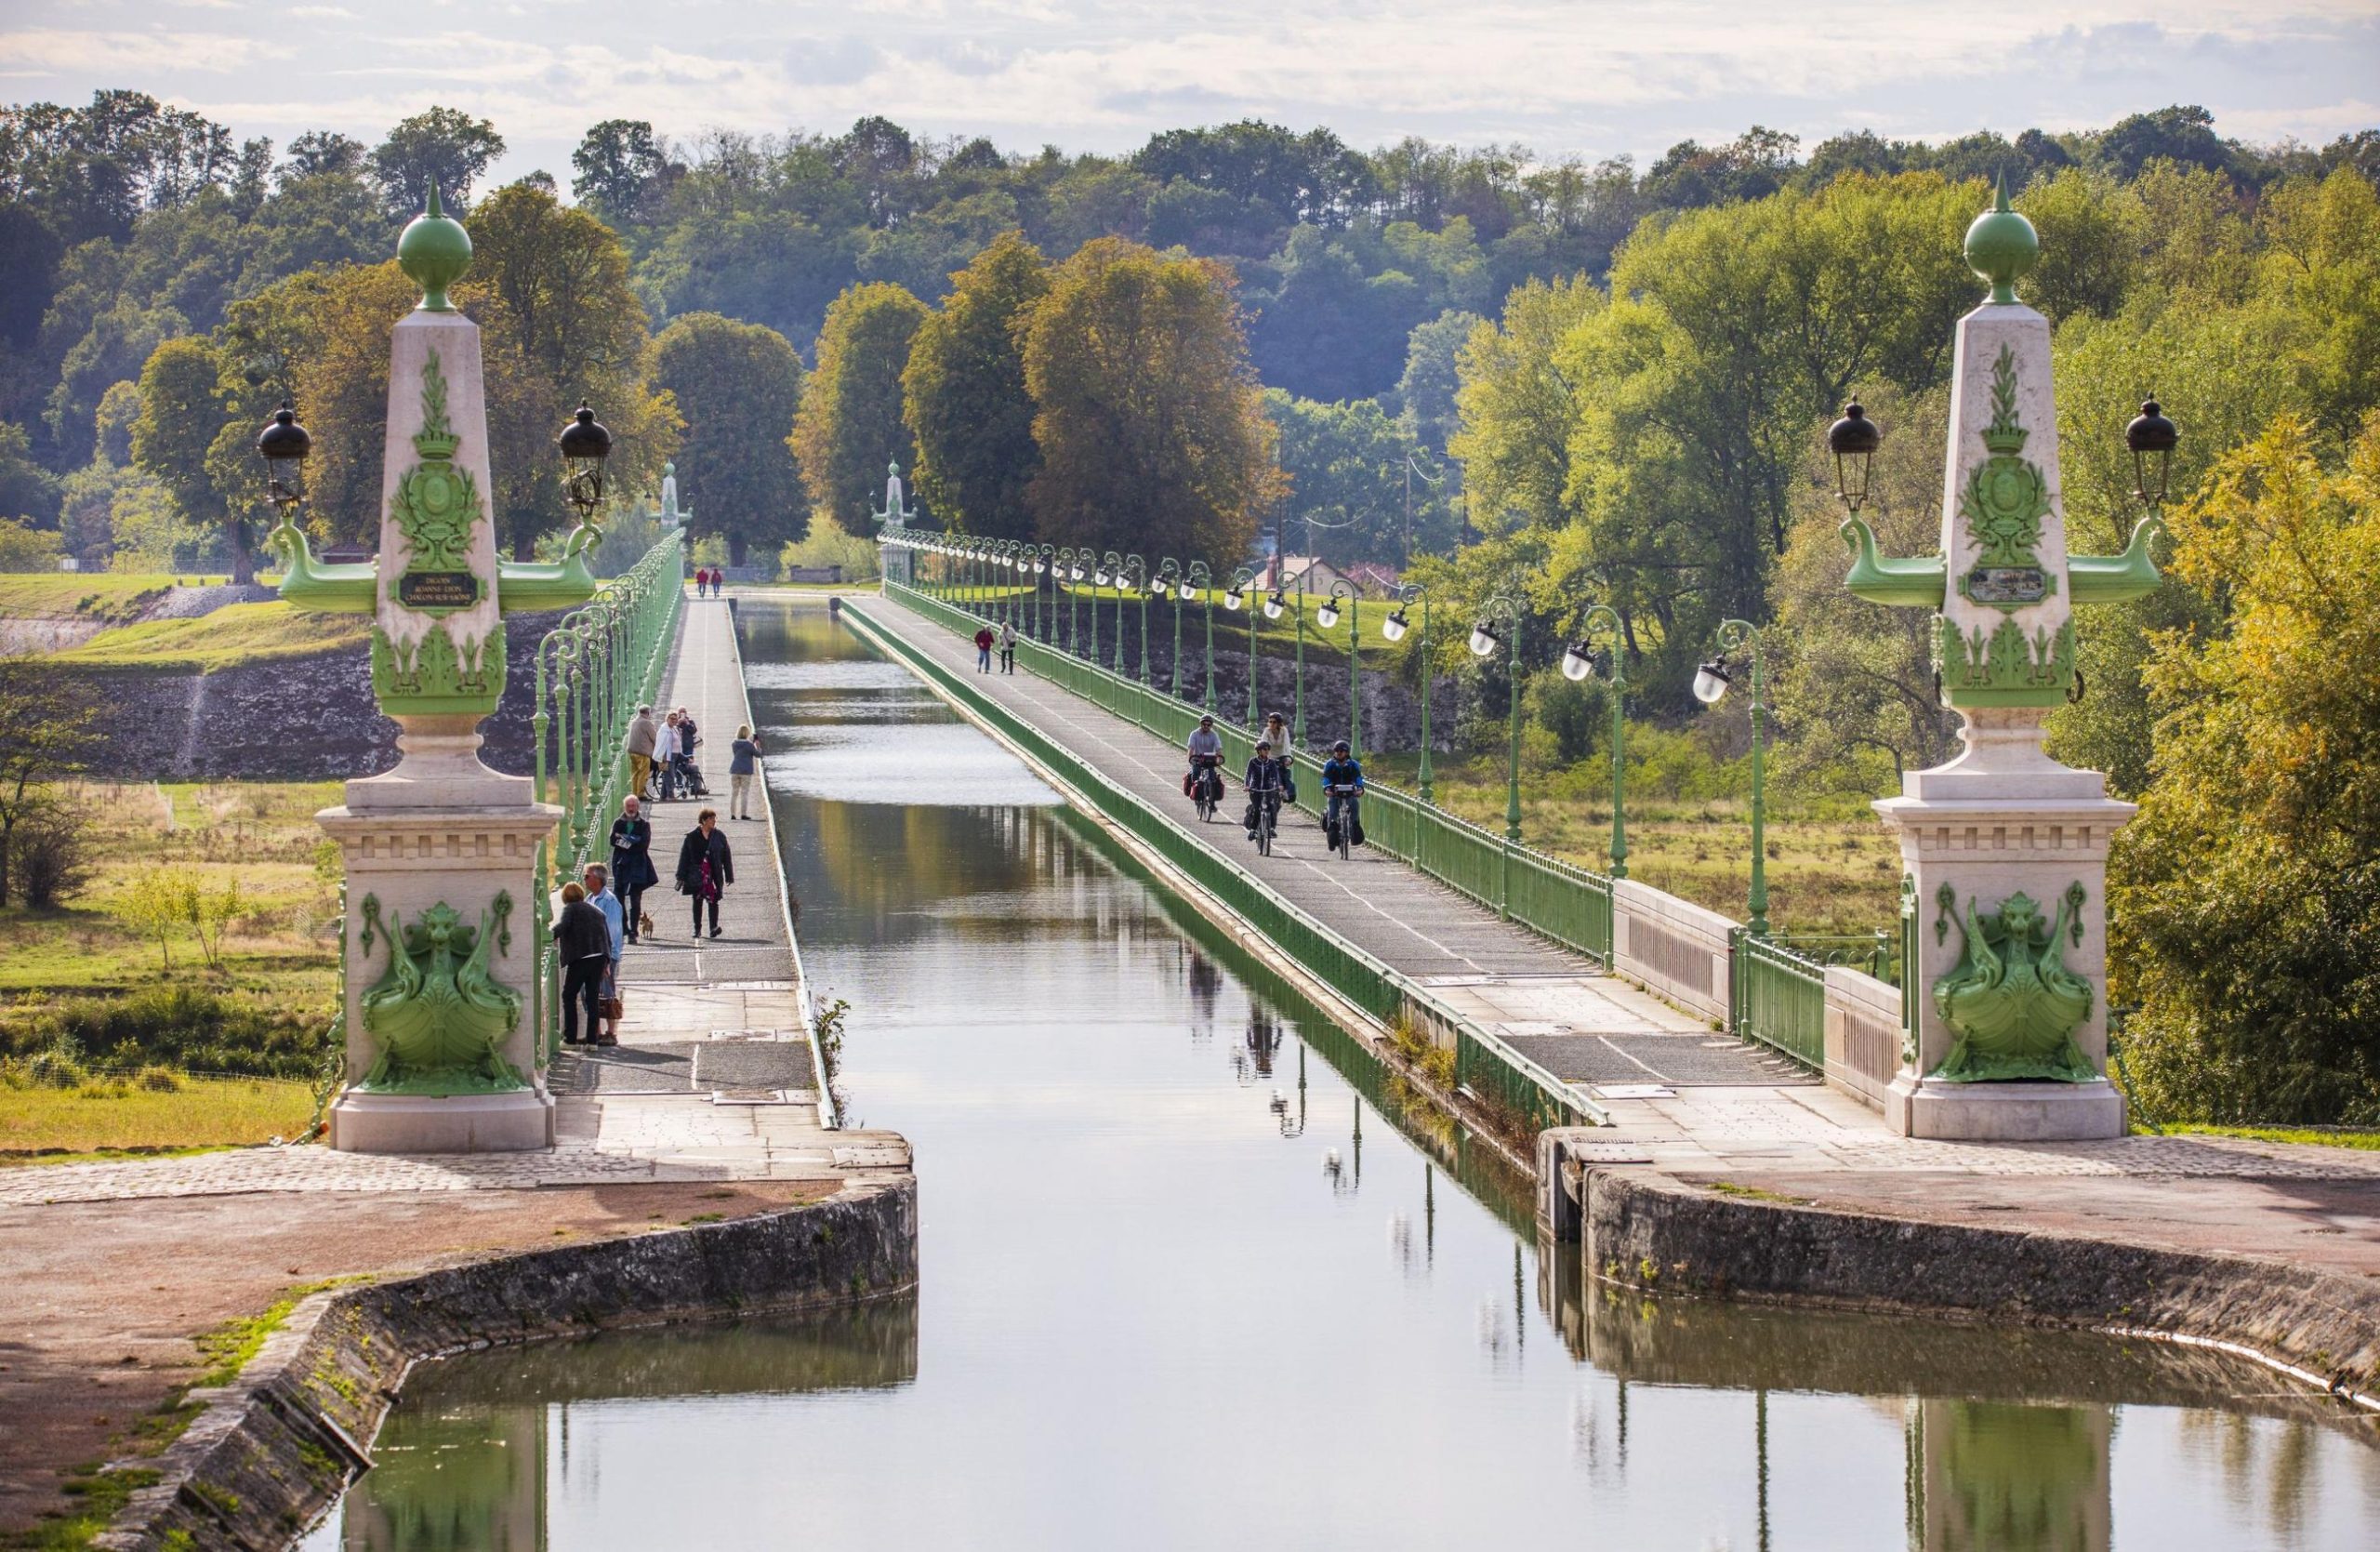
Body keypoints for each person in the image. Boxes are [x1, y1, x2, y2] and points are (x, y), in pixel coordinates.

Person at [554, 881, 612, 1046]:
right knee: (592, 998)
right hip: (599, 956)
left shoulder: (570, 909)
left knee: (569, 995)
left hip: (581, 957)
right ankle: (592, 1042)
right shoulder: (596, 910)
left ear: (565, 897)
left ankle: (570, 1039)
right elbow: (606, 937)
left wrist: (549, 935)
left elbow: (563, 927)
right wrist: (606, 961)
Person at [676, 806, 734, 939]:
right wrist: (681, 876)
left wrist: (729, 875)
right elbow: (684, 857)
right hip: (697, 874)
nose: (714, 821)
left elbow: (726, 856)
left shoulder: (719, 836)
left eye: (714, 819)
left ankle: (713, 927)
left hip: (714, 873)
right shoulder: (691, 837)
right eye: (711, 819)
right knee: (697, 900)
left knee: (713, 899)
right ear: (704, 820)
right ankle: (697, 929)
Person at [582, 863, 624, 1044]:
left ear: (598, 879)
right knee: (589, 993)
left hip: (605, 955)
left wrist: (607, 959)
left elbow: (613, 931)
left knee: (607, 993)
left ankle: (611, 1033)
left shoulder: (609, 901)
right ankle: (596, 1032)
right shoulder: (589, 899)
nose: (584, 880)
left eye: (587, 876)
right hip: (590, 954)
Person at [608, 795, 657, 942]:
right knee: (619, 900)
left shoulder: (644, 825)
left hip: (638, 866)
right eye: (628, 806)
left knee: (635, 900)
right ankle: (625, 927)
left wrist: (623, 839)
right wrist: (632, 841)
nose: (631, 808)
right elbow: (612, 840)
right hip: (620, 865)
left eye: (633, 806)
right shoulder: (618, 823)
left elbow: (643, 844)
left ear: (637, 807)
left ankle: (634, 931)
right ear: (625, 807)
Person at [1321, 739, 1365, 848]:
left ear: (1347, 752)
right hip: (1334, 793)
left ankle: (1354, 827)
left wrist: (1360, 789)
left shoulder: (1353, 764)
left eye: (1342, 750)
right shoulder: (1330, 764)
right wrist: (1327, 788)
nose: (1339, 753)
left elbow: (1358, 778)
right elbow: (1326, 778)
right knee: (1333, 810)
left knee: (1355, 803)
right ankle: (1332, 833)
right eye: (1336, 750)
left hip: (1350, 792)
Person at [1243, 738, 1286, 842]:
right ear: (1259, 751)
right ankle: (1253, 830)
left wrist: (1278, 785)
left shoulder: (1271, 763)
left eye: (1268, 749)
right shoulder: (1253, 762)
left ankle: (1271, 828)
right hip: (1255, 789)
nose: (1267, 751)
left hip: (1268, 789)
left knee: (1272, 808)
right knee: (1257, 809)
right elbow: (1248, 774)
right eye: (1264, 749)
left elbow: (1276, 775)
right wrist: (1247, 786)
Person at [1184, 714, 1224, 807]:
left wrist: (1220, 758)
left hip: (1209, 760)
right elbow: (1191, 748)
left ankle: (1212, 801)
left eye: (1208, 725)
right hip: (1198, 759)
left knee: (1213, 779)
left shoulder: (1214, 735)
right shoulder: (1194, 734)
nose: (1206, 726)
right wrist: (1191, 758)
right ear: (1201, 724)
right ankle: (1196, 794)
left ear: (1211, 726)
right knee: (1195, 774)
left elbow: (1218, 749)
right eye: (1204, 724)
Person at [729, 724, 763, 821]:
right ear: (747, 733)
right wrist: (758, 745)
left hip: (735, 769)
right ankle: (743, 814)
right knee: (744, 793)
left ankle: (732, 814)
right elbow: (758, 755)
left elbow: (737, 753)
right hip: (746, 771)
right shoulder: (749, 745)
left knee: (734, 793)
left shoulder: (734, 743)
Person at [626, 706, 659, 803]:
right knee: (643, 773)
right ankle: (640, 794)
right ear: (648, 713)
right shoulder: (646, 723)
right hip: (642, 752)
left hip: (632, 752)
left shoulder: (634, 721)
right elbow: (654, 737)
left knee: (635, 774)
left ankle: (635, 794)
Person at [1263, 713, 1295, 804]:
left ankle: (1286, 792)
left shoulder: (1284, 731)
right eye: (1270, 722)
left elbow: (1287, 745)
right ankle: (1278, 787)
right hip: (1270, 756)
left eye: (1274, 722)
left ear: (1279, 723)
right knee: (1273, 770)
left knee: (1285, 773)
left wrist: (1288, 758)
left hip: (1282, 756)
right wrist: (1263, 755)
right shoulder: (1267, 731)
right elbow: (1263, 743)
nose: (1271, 724)